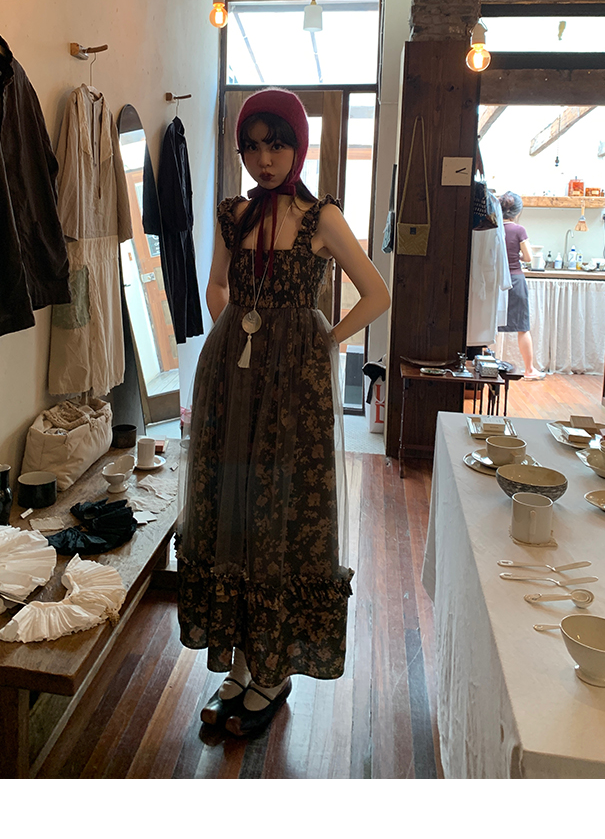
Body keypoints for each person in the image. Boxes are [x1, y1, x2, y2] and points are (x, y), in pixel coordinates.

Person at [176, 88, 390, 737]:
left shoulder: (322, 217)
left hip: (294, 389)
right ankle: (240, 664)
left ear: (299, 145)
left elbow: (375, 292)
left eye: (276, 144)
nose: (263, 159)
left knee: (281, 513)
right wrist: (237, 337)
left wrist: (323, 341)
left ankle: (272, 671)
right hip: (231, 383)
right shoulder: (233, 214)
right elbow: (218, 285)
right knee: (232, 508)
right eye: (252, 146)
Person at [498, 191, 545, 380]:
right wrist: (516, 255)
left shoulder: (492, 228)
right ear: (517, 212)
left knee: (490, 325)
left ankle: (483, 365)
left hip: (496, 280)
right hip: (515, 280)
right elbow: (528, 257)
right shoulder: (519, 230)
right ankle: (529, 370)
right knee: (522, 327)